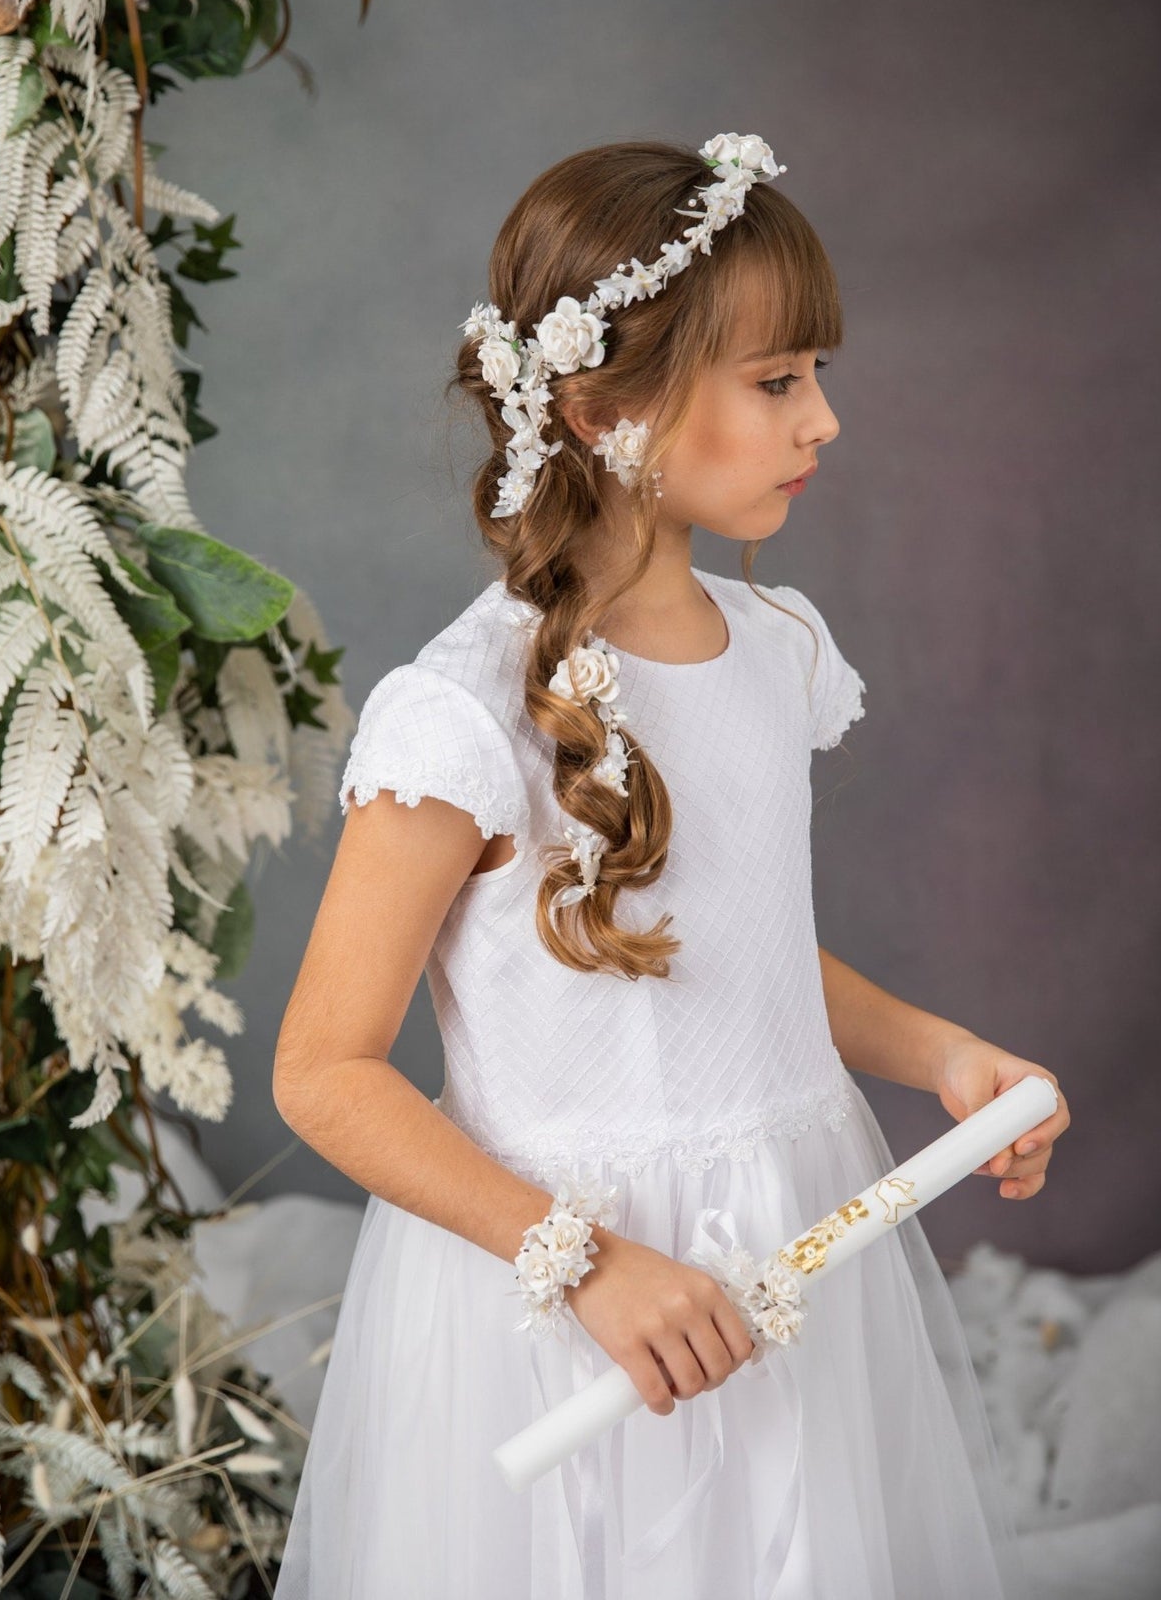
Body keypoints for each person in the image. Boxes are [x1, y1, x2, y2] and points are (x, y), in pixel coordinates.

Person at [270, 132, 1068, 1599]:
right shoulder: (462, 711)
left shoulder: (778, 651)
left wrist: (944, 1055)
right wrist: (588, 1265)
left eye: (816, 374)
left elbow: (730, 954)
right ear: (598, 408)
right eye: (777, 382)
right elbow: (324, 1072)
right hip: (569, 1287)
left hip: (788, 1244)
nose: (823, 419)